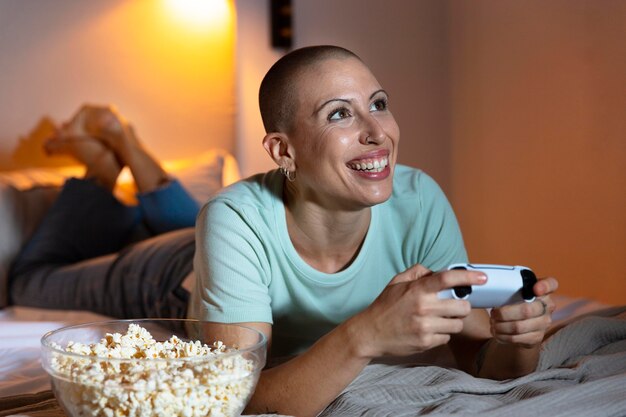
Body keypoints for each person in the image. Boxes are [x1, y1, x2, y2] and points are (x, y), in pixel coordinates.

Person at [188, 45, 559, 416]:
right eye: (339, 114)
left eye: (379, 105)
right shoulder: (233, 220)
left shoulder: (418, 199)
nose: (377, 132)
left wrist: (519, 340)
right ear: (284, 151)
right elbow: (233, 398)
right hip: (172, 271)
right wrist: (365, 334)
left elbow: (485, 366)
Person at [8, 105, 199, 319]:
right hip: (207, 262)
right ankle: (111, 156)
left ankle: (114, 151)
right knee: (206, 243)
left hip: (206, 249)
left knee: (203, 237)